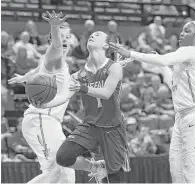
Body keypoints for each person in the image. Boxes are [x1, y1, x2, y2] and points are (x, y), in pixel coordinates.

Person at [109, 21, 195, 183]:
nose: (181, 33)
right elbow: (171, 81)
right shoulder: (184, 62)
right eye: (181, 30)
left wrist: (130, 53)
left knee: (191, 172)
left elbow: (164, 61)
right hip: (182, 118)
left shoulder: (193, 51)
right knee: (176, 172)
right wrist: (159, 64)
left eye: (187, 31)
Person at [43, 31, 130, 183]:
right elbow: (63, 96)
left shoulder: (114, 67)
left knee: (116, 179)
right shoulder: (79, 75)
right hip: (89, 126)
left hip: (112, 128)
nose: (92, 35)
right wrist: (43, 104)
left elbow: (106, 93)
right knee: (63, 157)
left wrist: (83, 88)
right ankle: (94, 167)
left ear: (105, 45)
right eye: (91, 34)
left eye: (97, 35)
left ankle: (107, 170)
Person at [8, 10, 75, 183]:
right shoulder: (55, 54)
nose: (65, 39)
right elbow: (57, 46)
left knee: (62, 172)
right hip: (42, 120)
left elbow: (35, 71)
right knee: (60, 167)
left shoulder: (54, 61)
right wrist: (54, 26)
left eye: (68, 36)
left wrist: (24, 78)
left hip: (47, 122)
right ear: (52, 40)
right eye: (61, 36)